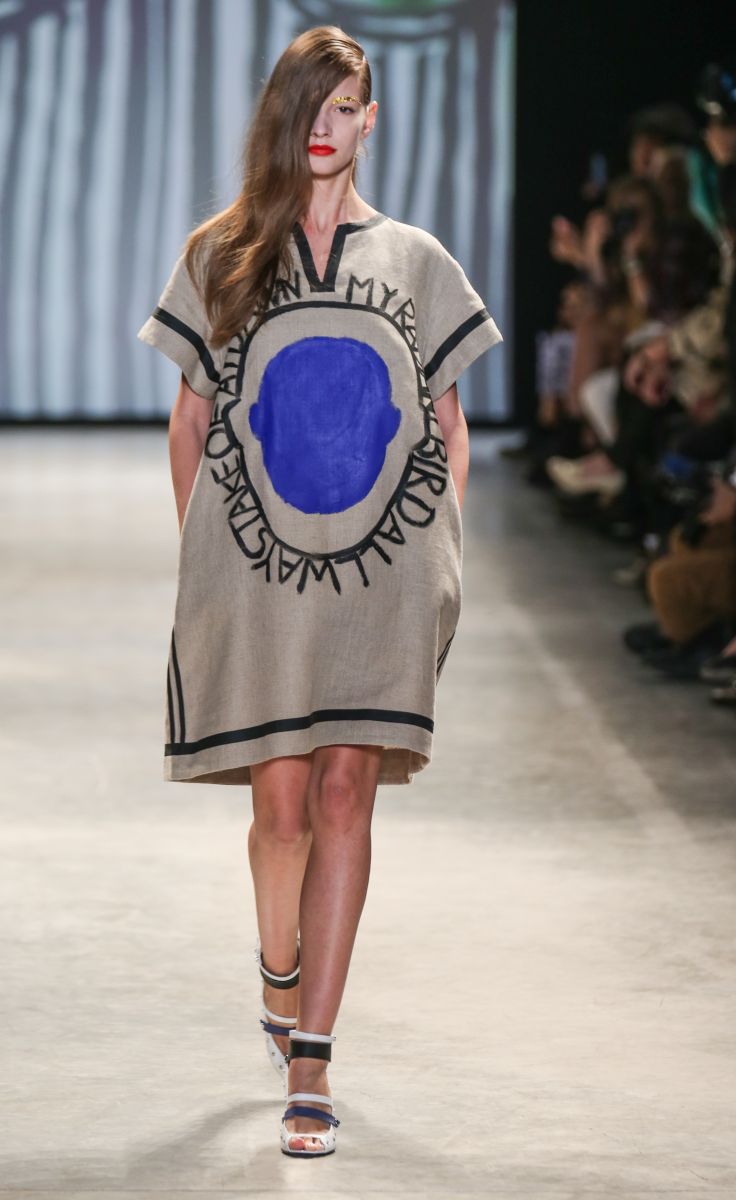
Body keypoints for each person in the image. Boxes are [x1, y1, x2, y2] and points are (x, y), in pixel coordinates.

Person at [136, 25, 502, 1158]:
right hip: (260, 576)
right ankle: (277, 968)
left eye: (345, 106)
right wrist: (206, 560)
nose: (326, 127)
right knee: (280, 812)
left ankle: (312, 1060)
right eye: (309, 105)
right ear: (281, 116)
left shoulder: (416, 260)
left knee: (348, 794)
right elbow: (191, 420)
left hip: (381, 576)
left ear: (370, 118)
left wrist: (441, 552)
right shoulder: (222, 253)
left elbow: (448, 424)